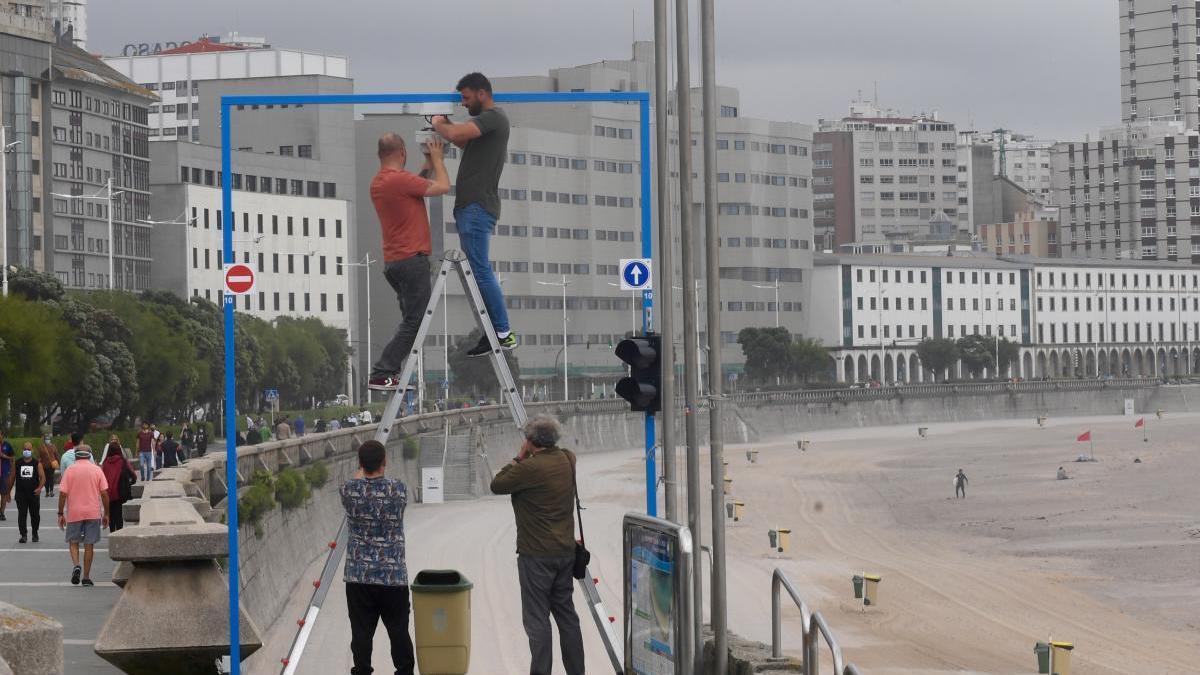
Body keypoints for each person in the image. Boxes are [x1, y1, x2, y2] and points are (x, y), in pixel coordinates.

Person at [489, 416, 585, 675]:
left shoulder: (528, 469)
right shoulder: (568, 460)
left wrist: (520, 456)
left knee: (537, 620)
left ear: (530, 441)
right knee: (567, 617)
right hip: (565, 553)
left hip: (535, 556)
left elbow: (497, 484)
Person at [432, 72, 518, 357]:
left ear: (482, 93)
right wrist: (444, 131)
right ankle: (493, 331)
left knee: (479, 270)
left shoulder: (494, 117)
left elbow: (456, 133)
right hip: (474, 208)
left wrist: (438, 121)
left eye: (466, 98)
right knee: (476, 271)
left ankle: (502, 332)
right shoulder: (489, 126)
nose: (464, 104)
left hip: (476, 207)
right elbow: (462, 141)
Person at [365, 132, 450, 391]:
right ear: (402, 152)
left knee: (410, 321)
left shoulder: (380, 182)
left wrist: (425, 165)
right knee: (416, 322)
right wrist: (437, 159)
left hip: (395, 263)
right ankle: (383, 371)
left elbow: (413, 187)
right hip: (412, 261)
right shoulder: (400, 181)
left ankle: (390, 373)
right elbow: (443, 187)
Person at [340, 440, 414, 675]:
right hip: (393, 577)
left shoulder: (348, 490)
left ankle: (362, 671)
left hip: (358, 576)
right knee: (399, 631)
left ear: (360, 464)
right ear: (385, 461)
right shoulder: (398, 489)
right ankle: (404, 671)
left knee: (361, 633)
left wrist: (360, 475)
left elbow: (353, 483)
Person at [57, 446, 109, 586]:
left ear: (76, 456)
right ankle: (86, 577)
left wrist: (60, 513)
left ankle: (76, 566)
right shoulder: (97, 470)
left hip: (74, 513)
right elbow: (104, 493)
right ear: (89, 455)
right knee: (89, 545)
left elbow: (62, 494)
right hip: (93, 512)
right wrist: (106, 514)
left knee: (73, 542)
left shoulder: (69, 470)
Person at [11, 442, 45, 543]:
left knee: (35, 515)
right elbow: (12, 477)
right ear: (22, 450)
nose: (27, 451)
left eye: (29, 449)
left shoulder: (36, 463)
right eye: (25, 449)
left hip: (34, 494)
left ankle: (35, 533)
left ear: (32, 451)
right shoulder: (17, 463)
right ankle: (23, 535)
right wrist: (8, 492)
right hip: (21, 494)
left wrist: (39, 488)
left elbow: (43, 477)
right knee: (22, 515)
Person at [100, 442, 136, 532]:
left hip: (108, 494)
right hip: (120, 493)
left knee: (111, 516)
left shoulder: (105, 463)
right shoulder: (123, 461)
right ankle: (119, 534)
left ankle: (112, 533)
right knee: (119, 516)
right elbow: (133, 475)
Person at [0, 430, 13, 521]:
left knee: (4, 494)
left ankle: (2, 513)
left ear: (2, 435)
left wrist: (4, 456)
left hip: (4, 473)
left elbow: (12, 458)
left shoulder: (7, 445)